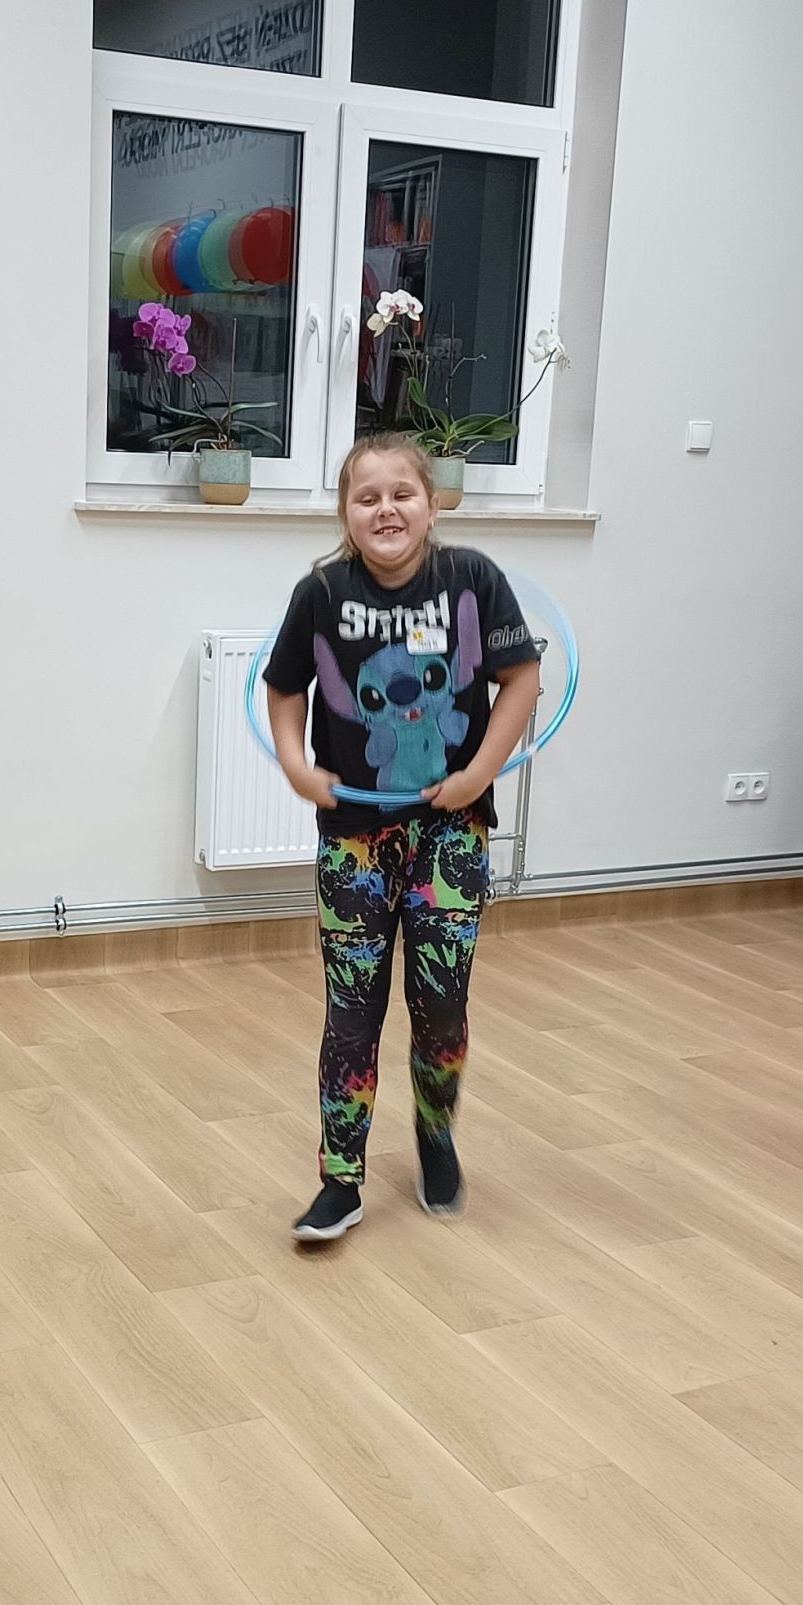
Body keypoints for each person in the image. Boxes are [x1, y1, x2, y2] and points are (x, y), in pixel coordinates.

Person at [262, 432, 543, 1239]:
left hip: (450, 836)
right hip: (353, 841)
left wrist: (479, 773)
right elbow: (284, 688)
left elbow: (521, 678)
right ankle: (340, 1179)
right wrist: (295, 764)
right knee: (350, 1012)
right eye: (366, 497)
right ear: (344, 513)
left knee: (441, 1007)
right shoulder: (321, 592)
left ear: (431, 503)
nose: (385, 509)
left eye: (401, 493)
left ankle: (435, 1131)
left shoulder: (472, 579)